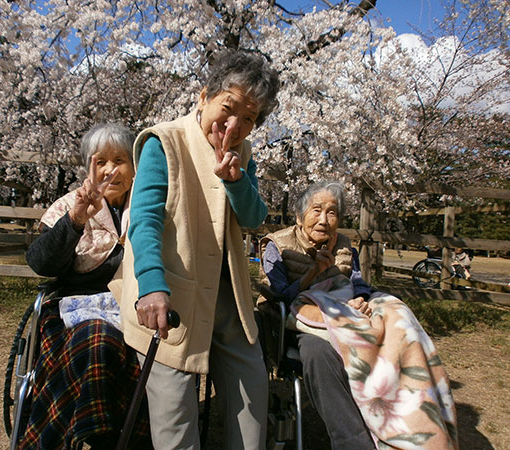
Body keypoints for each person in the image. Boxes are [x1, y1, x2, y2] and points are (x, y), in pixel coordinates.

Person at [119, 50, 280, 449]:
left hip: (228, 298)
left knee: (251, 393)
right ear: (204, 95)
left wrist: (237, 181)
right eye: (229, 109)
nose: (235, 125)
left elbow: (253, 217)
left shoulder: (242, 155)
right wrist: (152, 286)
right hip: (170, 293)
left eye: (249, 118)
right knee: (175, 417)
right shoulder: (165, 142)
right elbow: (144, 220)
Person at [260, 181, 458, 450]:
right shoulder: (277, 245)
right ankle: (354, 443)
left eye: (332, 213)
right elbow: (278, 295)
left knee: (400, 319)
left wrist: (362, 301)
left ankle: (416, 420)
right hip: (301, 326)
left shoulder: (343, 244)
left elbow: (357, 283)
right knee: (318, 352)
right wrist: (313, 273)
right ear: (299, 216)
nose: (324, 220)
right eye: (316, 210)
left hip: (349, 317)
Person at [19, 123, 151, 450]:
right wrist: (75, 221)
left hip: (137, 311)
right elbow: (40, 263)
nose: (110, 170)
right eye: (100, 161)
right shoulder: (69, 204)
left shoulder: (150, 206)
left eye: (120, 160)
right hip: (74, 315)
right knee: (98, 340)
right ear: (87, 166)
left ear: (135, 167)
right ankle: (102, 433)